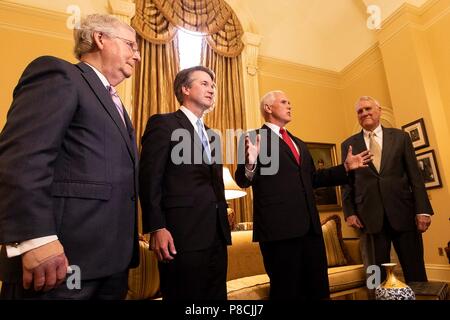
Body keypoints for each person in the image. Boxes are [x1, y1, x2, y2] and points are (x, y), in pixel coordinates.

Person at [0, 14, 141, 299]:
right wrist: (35, 238)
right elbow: (22, 158)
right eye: (130, 45)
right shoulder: (59, 74)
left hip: (111, 263)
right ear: (100, 39)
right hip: (59, 262)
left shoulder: (117, 105)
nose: (136, 56)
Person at [235, 90, 371, 300]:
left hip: (310, 229)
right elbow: (243, 180)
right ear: (268, 108)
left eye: (290, 102)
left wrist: (345, 168)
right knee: (287, 291)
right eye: (284, 102)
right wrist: (250, 162)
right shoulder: (253, 138)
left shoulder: (298, 142)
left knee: (318, 289)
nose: (290, 105)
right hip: (278, 231)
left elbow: (313, 179)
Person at [139, 66, 231, 300]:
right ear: (185, 89)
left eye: (213, 85)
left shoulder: (214, 136)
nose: (211, 89)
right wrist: (157, 227)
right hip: (181, 235)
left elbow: (215, 184)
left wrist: (223, 211)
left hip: (216, 236)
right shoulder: (163, 124)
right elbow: (150, 179)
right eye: (204, 83)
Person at [341, 96, 433, 285]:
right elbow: (347, 182)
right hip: (368, 218)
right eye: (360, 111)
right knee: (375, 275)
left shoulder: (400, 137)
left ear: (379, 110)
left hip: (404, 213)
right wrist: (349, 212)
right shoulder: (348, 144)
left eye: (368, 108)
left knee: (414, 269)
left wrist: (422, 209)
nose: (364, 113)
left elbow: (415, 175)